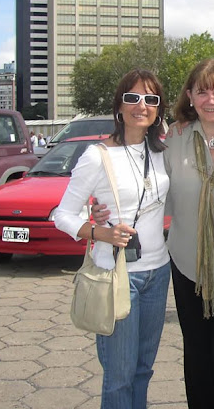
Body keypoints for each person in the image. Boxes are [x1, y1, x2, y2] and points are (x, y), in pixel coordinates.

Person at [93, 59, 214, 409]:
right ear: (189, 96)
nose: (210, 99)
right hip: (186, 266)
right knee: (197, 356)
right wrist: (104, 211)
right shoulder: (173, 139)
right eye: (201, 91)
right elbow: (146, 188)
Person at [55, 70, 171, 409]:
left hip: (158, 271)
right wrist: (100, 231)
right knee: (119, 375)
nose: (141, 106)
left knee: (143, 370)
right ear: (119, 106)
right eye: (132, 98)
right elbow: (62, 214)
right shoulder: (97, 155)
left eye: (150, 99)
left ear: (158, 109)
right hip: (117, 274)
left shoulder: (162, 152)